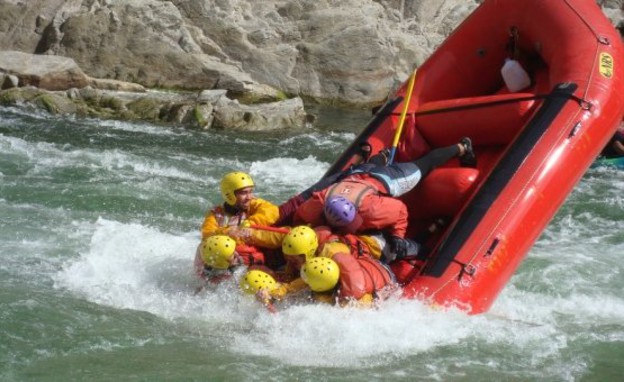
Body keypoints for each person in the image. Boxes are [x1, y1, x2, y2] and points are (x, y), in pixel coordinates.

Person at [293, 138, 476, 241]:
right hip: (358, 175)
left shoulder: (370, 209)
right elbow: (298, 217)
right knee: (366, 167)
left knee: (423, 165)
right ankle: (382, 156)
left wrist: (398, 237)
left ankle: (461, 147)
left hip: (388, 179)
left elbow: (401, 211)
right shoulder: (315, 204)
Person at [194, 171, 280, 278]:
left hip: (248, 263)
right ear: (230, 195)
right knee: (215, 244)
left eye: (250, 192)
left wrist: (250, 223)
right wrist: (228, 232)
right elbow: (207, 234)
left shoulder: (253, 205)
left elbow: (272, 211)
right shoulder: (216, 214)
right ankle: (210, 282)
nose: (249, 197)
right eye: (244, 193)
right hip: (222, 263)